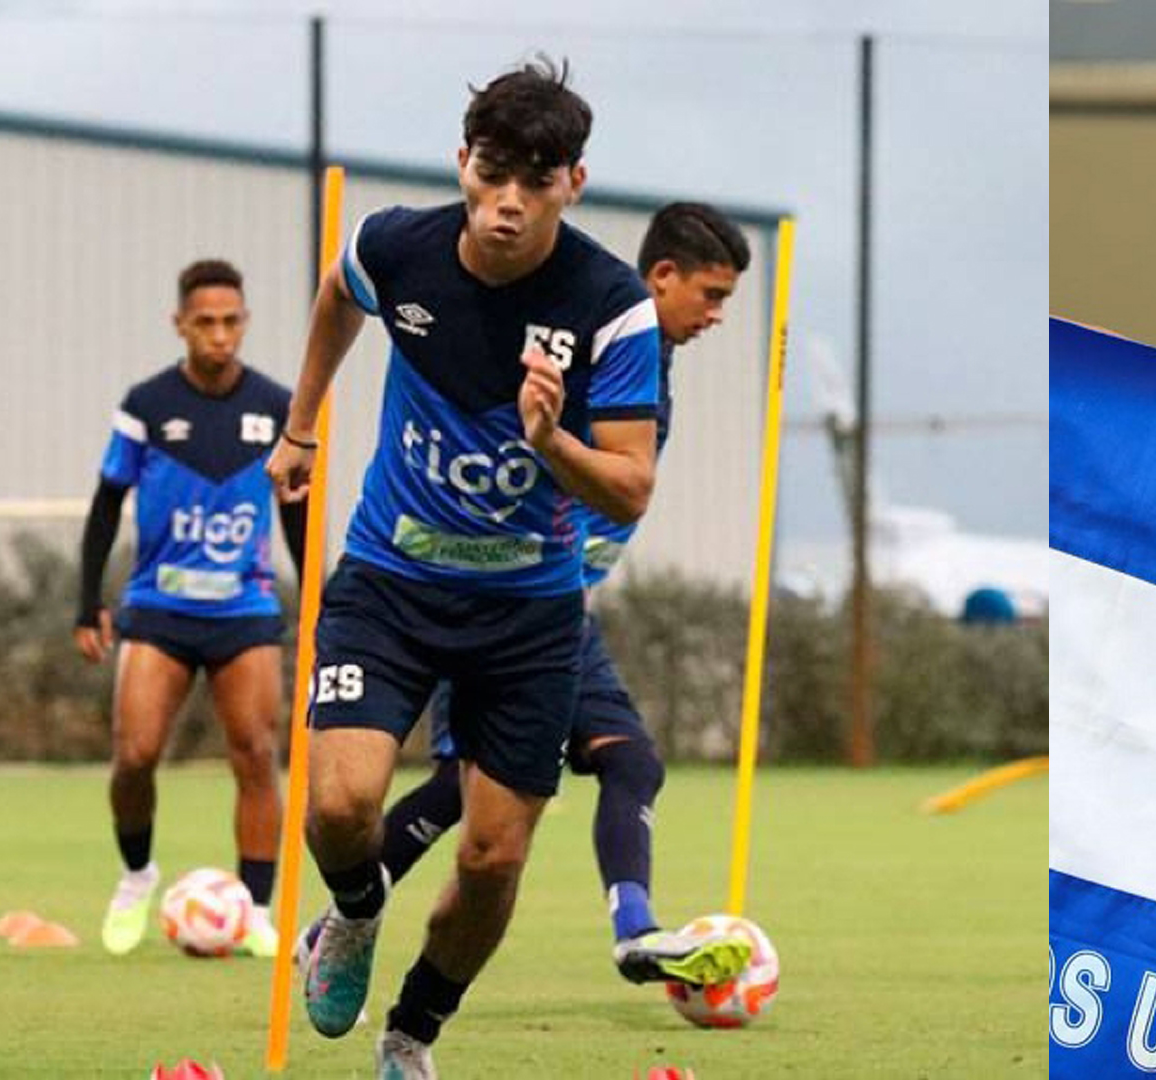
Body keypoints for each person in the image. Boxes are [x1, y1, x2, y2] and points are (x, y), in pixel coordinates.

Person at [264, 58, 661, 1079]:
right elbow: (336, 295)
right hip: (389, 583)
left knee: (492, 860)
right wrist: (302, 426)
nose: (508, 204)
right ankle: (355, 914)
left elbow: (631, 488)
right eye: (494, 174)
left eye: (537, 180)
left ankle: (411, 1036)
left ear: (574, 183)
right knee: (341, 807)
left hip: (529, 614)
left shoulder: (613, 308)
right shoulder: (396, 246)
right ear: (463, 164)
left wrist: (549, 441)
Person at [331, 202, 753, 988]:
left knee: (620, 765)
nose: (718, 315)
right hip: (510, 597)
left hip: (555, 602)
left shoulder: (647, 361)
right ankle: (347, 918)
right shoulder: (594, 338)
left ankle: (633, 932)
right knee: (474, 792)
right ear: (661, 277)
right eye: (711, 294)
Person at [77, 258, 304, 958]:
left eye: (231, 321)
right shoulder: (145, 405)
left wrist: (324, 600)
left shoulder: (275, 406)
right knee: (135, 754)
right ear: (180, 324)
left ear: (245, 322)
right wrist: (89, 604)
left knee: (255, 754)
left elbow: (296, 509)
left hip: (244, 608)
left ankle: (257, 909)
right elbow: (106, 504)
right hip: (158, 607)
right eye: (204, 322)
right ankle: (137, 874)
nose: (219, 335)